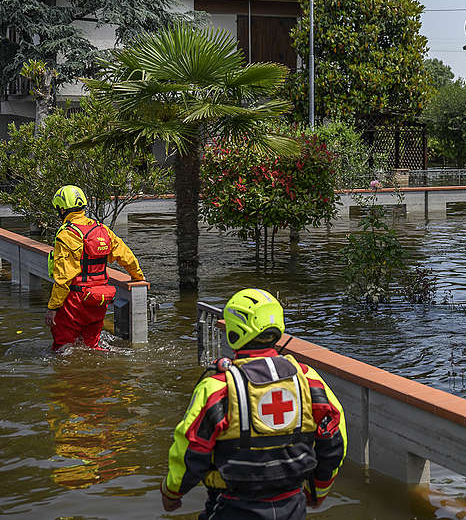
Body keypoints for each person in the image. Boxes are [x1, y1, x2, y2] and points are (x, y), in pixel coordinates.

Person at [161, 288, 347, 519]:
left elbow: (190, 448)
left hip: (232, 506)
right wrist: (318, 490)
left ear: (234, 331)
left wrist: (172, 492)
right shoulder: (308, 379)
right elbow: (334, 438)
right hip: (293, 505)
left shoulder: (217, 388)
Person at [46, 184, 144, 351]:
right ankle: (97, 376)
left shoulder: (67, 235)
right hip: (99, 300)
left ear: (62, 209)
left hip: (75, 301)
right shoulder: (102, 230)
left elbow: (63, 278)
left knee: (63, 347)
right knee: (91, 345)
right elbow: (126, 256)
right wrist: (138, 277)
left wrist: (53, 307)